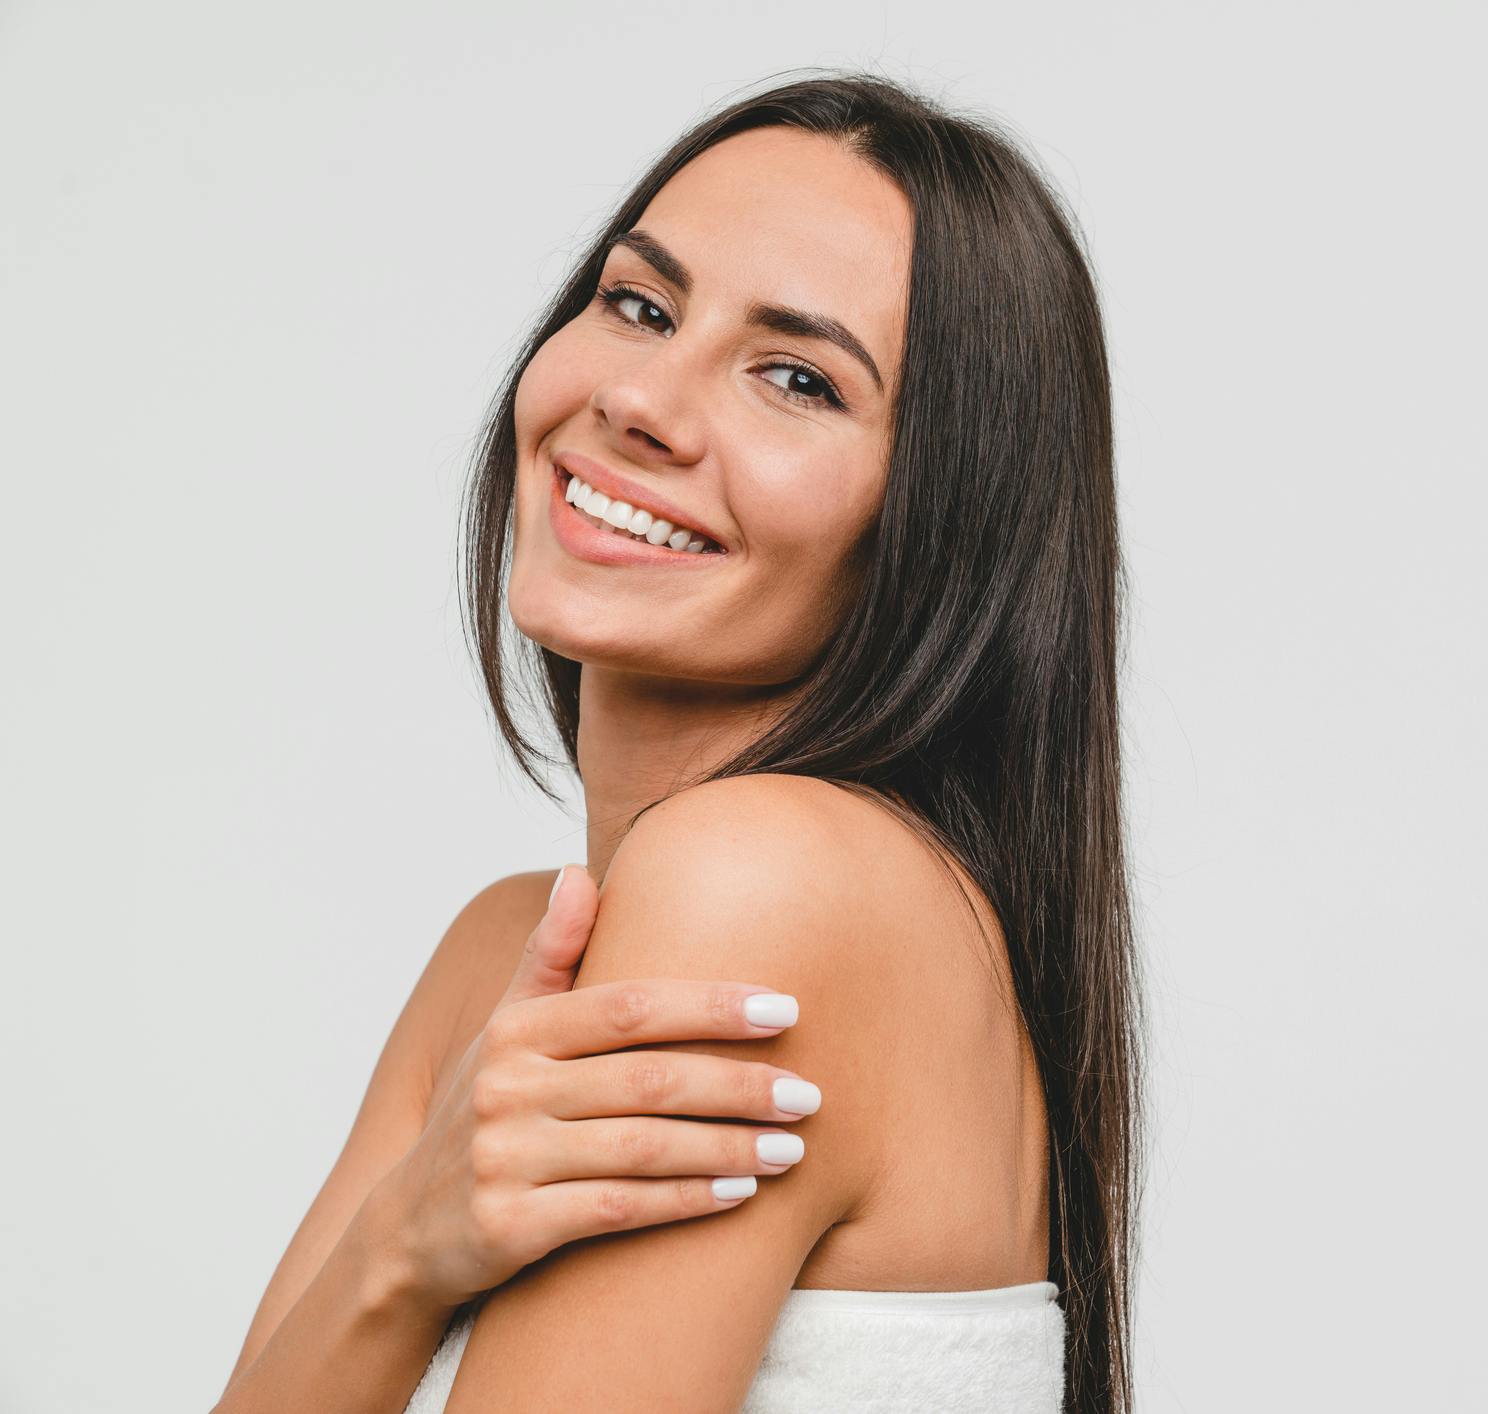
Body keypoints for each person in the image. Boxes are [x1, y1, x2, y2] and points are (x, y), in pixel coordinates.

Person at [213, 70, 1142, 1413]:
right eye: (639, 304)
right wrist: (400, 1251)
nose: (644, 398)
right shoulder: (507, 946)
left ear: (935, 527)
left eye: (796, 378)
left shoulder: (762, 886)